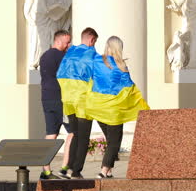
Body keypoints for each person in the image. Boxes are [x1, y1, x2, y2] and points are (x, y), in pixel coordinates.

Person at [84, 36, 149, 178]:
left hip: (98, 107)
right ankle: (103, 170)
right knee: (114, 142)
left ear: (107, 46)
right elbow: (130, 87)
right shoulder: (121, 66)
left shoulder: (96, 61)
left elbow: (87, 77)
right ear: (119, 49)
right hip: (113, 110)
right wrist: (141, 105)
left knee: (110, 139)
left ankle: (109, 171)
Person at [57, 27, 98, 179]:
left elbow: (59, 75)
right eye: (94, 42)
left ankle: (68, 168)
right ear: (92, 40)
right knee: (83, 137)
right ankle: (75, 171)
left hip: (68, 101)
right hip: (83, 102)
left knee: (74, 134)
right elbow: (97, 78)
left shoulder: (68, 54)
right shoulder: (93, 56)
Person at [39, 30, 74, 179]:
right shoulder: (63, 57)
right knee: (73, 133)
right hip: (61, 99)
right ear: (58, 41)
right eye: (67, 42)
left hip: (46, 97)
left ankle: (46, 169)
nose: (68, 45)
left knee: (51, 133)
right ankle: (65, 167)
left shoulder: (44, 56)